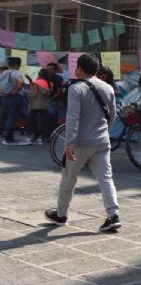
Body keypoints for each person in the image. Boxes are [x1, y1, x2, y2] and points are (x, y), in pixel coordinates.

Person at [43, 54, 121, 232]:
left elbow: (72, 118)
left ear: (79, 69)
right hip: (102, 142)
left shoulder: (76, 88)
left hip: (80, 143)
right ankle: (113, 215)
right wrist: (103, 132)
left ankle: (61, 214)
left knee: (69, 178)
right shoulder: (108, 87)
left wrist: (69, 143)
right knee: (106, 179)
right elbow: (113, 116)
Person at [0, 56, 25, 145]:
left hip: (4, 97)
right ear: (17, 64)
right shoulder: (16, 73)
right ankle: (9, 138)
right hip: (14, 97)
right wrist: (17, 90)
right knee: (12, 118)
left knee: (7, 117)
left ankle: (6, 135)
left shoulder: (4, 72)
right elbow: (21, 82)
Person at [26, 68, 52, 143]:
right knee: (43, 121)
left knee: (33, 120)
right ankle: (42, 136)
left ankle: (34, 135)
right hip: (45, 105)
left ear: (40, 74)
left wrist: (26, 92)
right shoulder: (49, 83)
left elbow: (33, 94)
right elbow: (47, 93)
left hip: (35, 105)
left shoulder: (37, 82)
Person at [47, 62, 66, 127]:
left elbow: (59, 92)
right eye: (48, 69)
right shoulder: (44, 77)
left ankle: (52, 133)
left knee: (52, 116)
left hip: (53, 101)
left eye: (51, 69)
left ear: (55, 70)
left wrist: (51, 99)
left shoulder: (58, 78)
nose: (49, 71)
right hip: (43, 101)